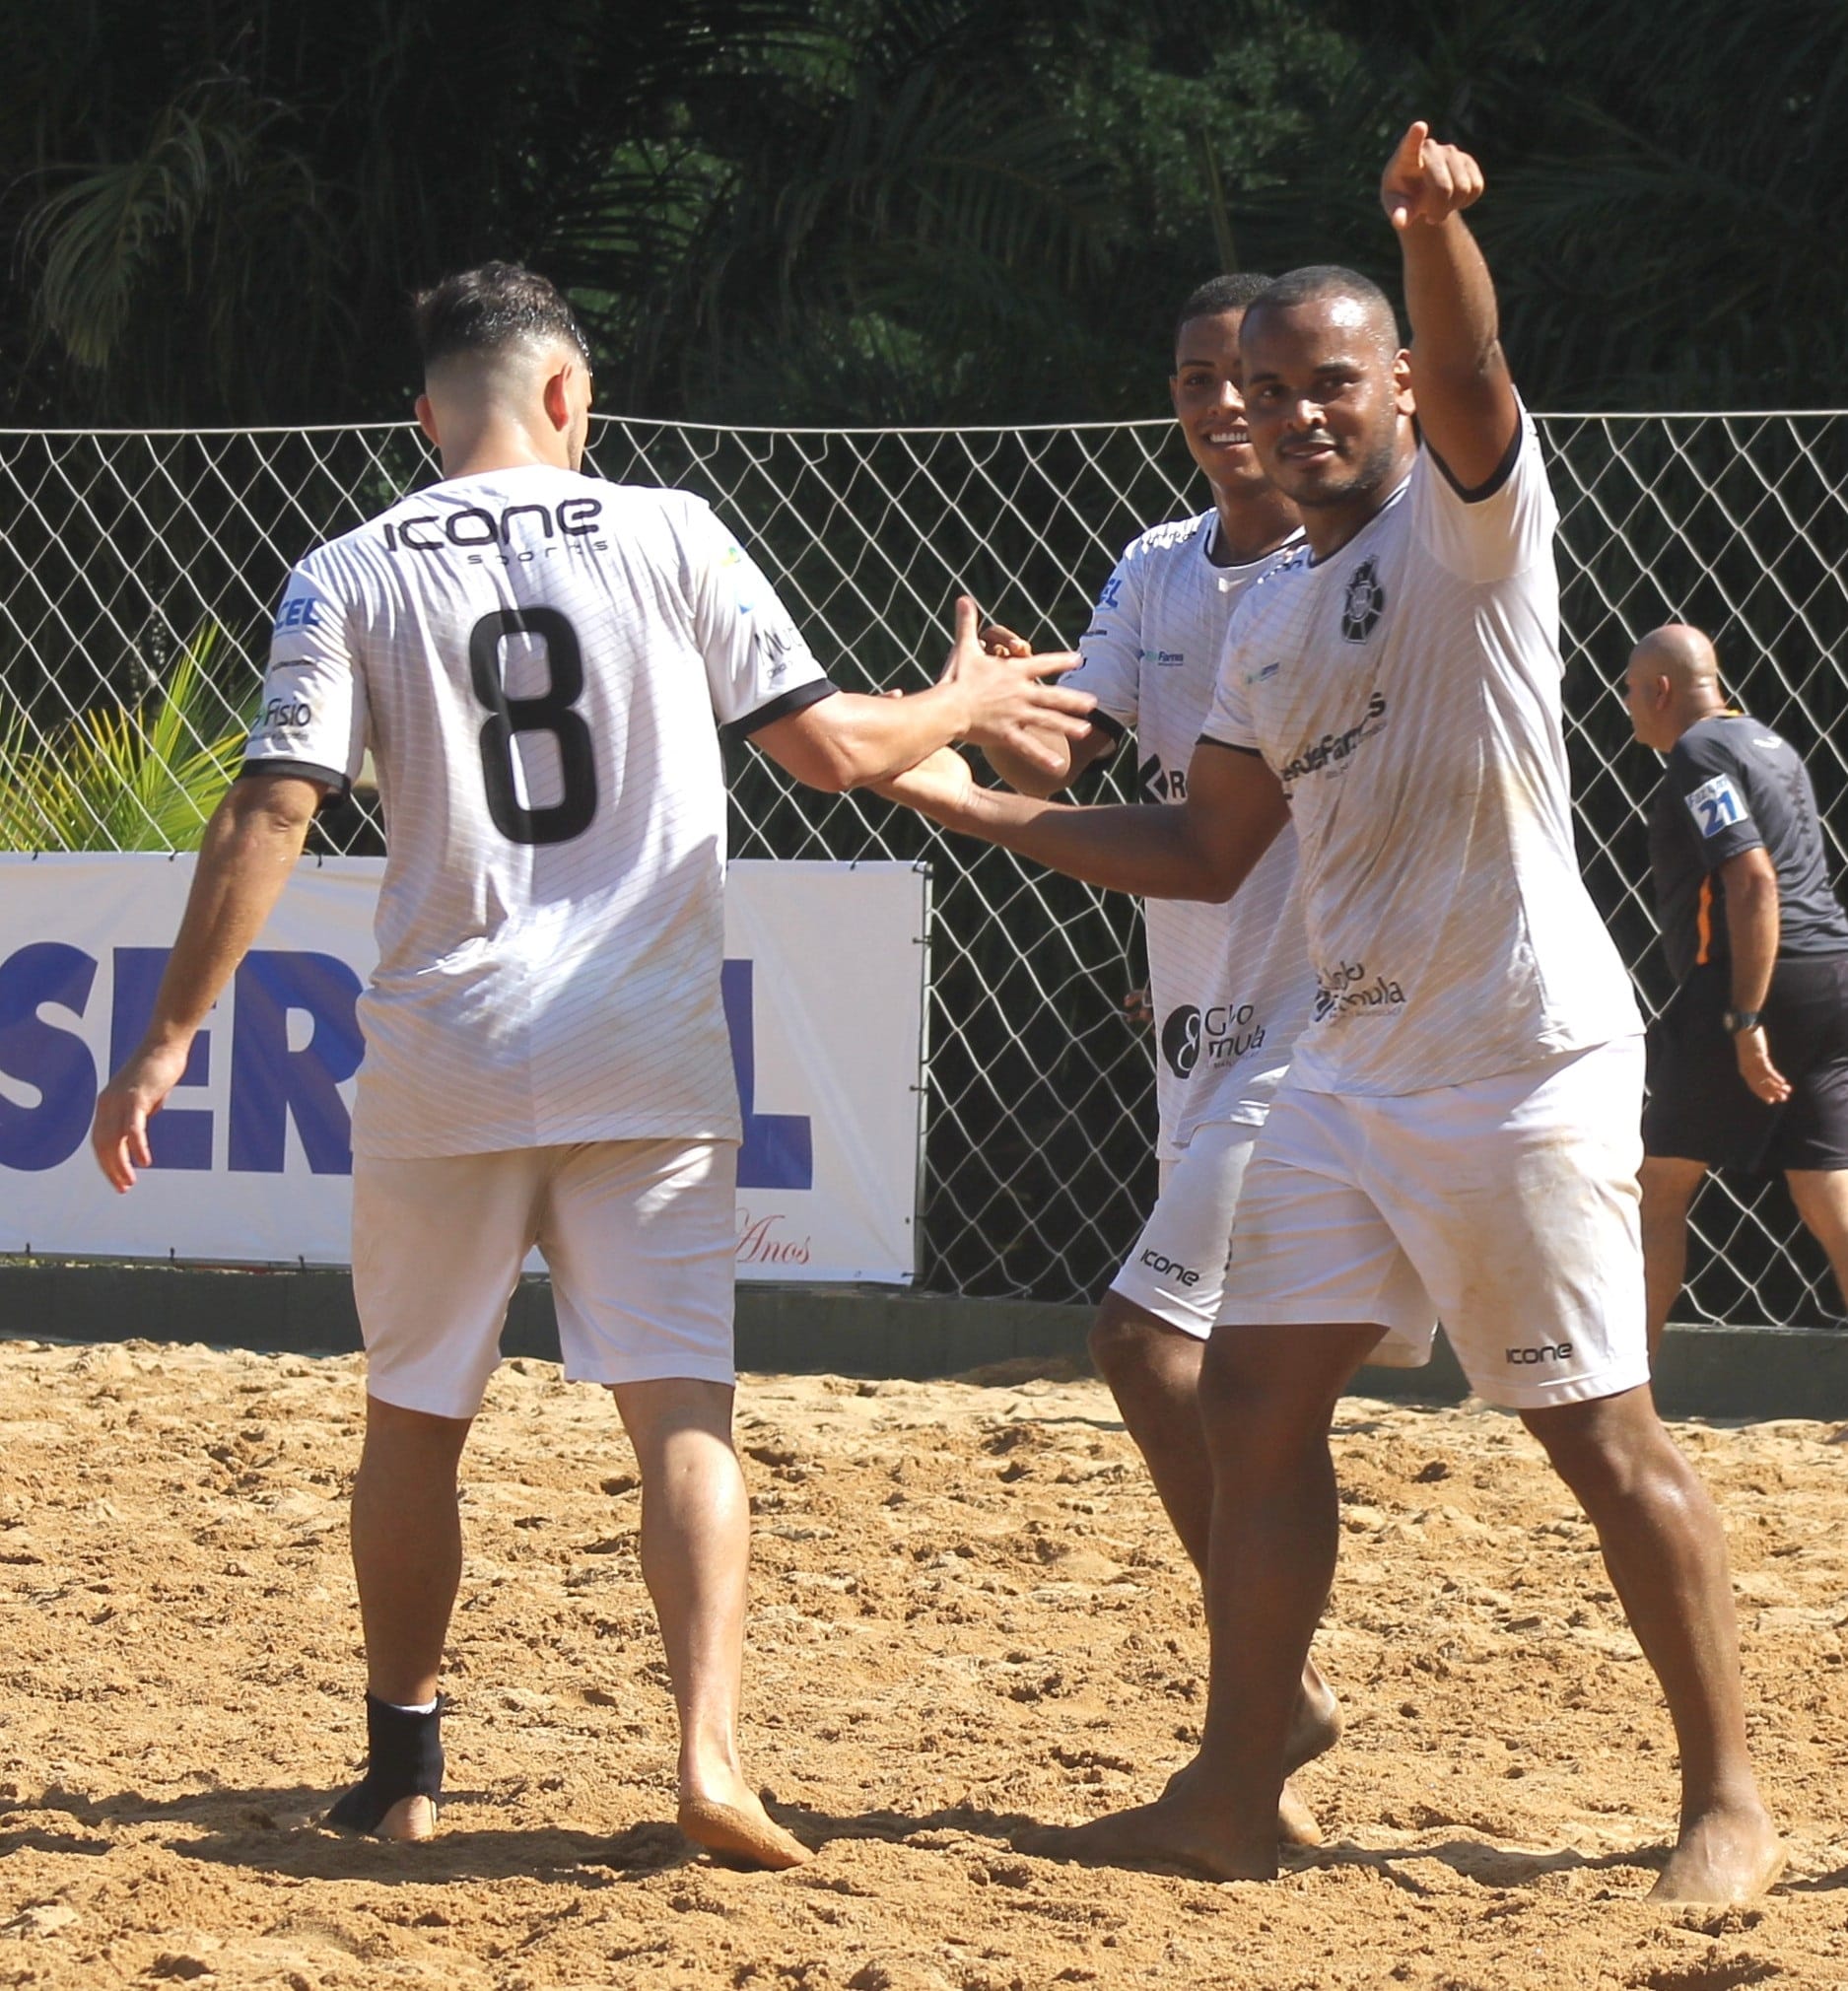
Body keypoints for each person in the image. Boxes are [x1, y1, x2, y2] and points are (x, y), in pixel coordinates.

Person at [874, 126, 1782, 1900]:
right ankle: (1238, 1785)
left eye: (1333, 384)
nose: (1295, 414)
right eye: (1267, 389)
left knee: (1598, 1435)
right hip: (1348, 1077)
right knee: (1245, 1415)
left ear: (1390, 394)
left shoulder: (1474, 533)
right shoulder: (1271, 620)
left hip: (1519, 1064)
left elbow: (1473, 369)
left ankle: (1725, 1799)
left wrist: (1431, 231)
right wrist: (970, 802)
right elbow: (1209, 847)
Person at [89, 263, 1091, 1864]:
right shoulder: (672, 529)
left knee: (414, 1417)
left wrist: (161, 1045)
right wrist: (964, 698)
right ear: (570, 398)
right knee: (683, 1413)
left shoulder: (345, 568)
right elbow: (831, 754)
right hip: (647, 1053)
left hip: (449, 1052)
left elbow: (271, 807)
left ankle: (405, 1766)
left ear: (428, 417)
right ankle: (709, 1763)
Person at [981, 274, 1337, 1841]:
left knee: (1147, 1348)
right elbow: (1075, 752)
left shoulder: (1348, 569)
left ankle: (1257, 1723)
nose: (1219, 406)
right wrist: (998, 713)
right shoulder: (1150, 565)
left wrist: (946, 782)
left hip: (1329, 1026)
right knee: (1243, 1385)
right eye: (1194, 377)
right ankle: (1271, 1711)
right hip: (1206, 1024)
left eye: (1243, 379)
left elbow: (1209, 841)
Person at [1623, 622, 1848, 1350]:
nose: (1627, 707)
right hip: (1827, 971)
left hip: (1749, 981)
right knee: (1824, 1183)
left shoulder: (1699, 752)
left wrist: (1744, 1016)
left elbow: (1750, 877)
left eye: (1630, 691)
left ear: (1660, 690)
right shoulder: (1767, 743)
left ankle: (1623, 1389)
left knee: (1656, 1184)